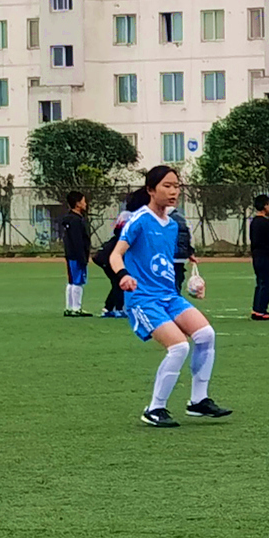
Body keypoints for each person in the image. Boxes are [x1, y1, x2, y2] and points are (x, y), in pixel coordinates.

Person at [110, 164, 229, 427]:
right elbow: (115, 254)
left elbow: (162, 261)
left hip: (168, 295)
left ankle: (198, 401)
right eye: (167, 185)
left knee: (206, 335)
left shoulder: (172, 225)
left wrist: (193, 281)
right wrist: (123, 276)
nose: (173, 191)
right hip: (143, 299)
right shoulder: (138, 220)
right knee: (178, 347)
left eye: (176, 186)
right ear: (151, 190)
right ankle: (155, 408)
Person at [248, 194, 269, 320]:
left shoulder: (254, 222)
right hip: (267, 256)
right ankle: (261, 310)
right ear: (265, 206)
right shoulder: (266, 223)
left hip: (257, 256)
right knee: (267, 283)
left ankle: (256, 309)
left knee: (260, 283)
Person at [97, 199, 131, 316]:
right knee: (118, 282)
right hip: (107, 258)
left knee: (116, 282)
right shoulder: (130, 217)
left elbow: (116, 229)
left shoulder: (124, 215)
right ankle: (118, 309)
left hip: (104, 256)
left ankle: (109, 308)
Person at [61, 192, 93, 316]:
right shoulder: (75, 220)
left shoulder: (70, 218)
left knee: (72, 280)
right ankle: (76, 308)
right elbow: (78, 240)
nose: (85, 204)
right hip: (76, 254)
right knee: (77, 281)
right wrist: (82, 256)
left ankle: (69, 307)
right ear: (78, 203)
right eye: (83, 201)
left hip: (70, 254)